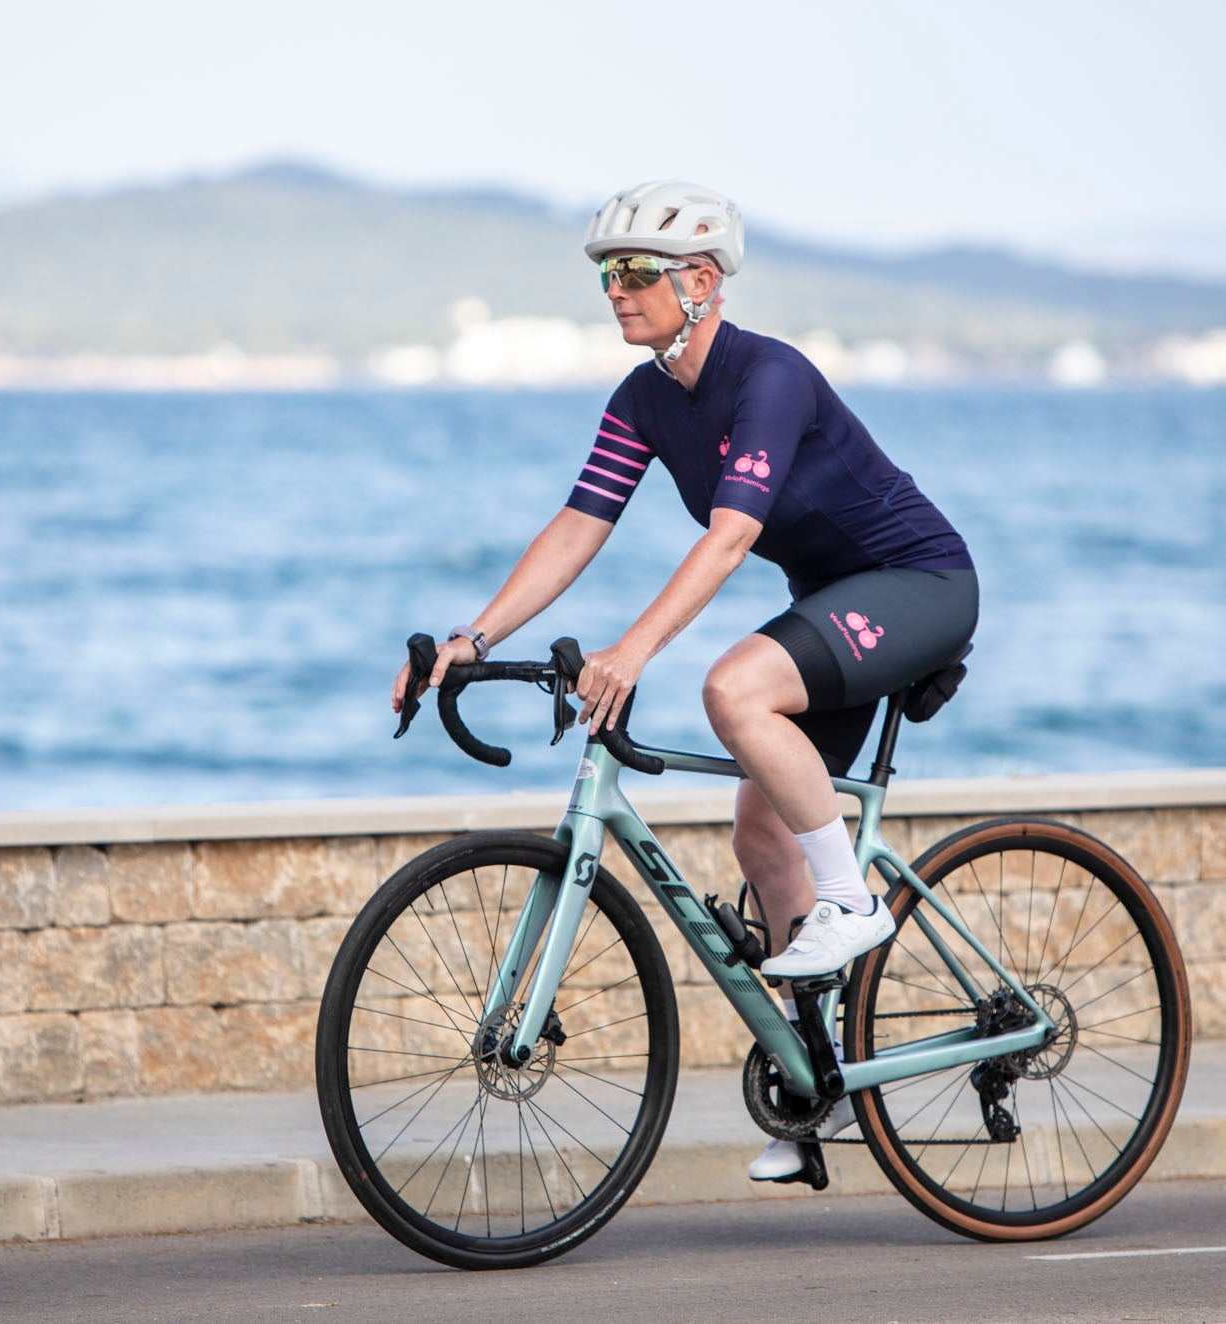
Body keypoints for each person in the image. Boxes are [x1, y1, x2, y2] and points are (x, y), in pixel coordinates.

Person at [389, 179, 978, 1183]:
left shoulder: (769, 378)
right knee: (756, 830)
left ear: (699, 281)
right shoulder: (644, 400)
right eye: (606, 276)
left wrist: (633, 649)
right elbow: (576, 526)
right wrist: (473, 637)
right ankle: (815, 1082)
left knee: (733, 688)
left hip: (917, 585)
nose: (614, 291)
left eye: (632, 273)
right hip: (830, 607)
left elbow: (731, 535)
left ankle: (853, 901)